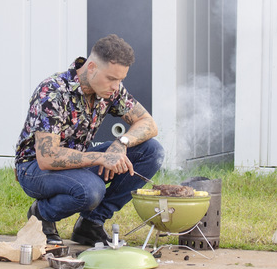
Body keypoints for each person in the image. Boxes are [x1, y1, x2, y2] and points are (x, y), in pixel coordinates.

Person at [15, 34, 165, 246]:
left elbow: (148, 123)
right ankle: (41, 215)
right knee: (91, 190)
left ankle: (90, 224)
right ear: (91, 67)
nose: (116, 86)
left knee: (151, 151)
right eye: (112, 79)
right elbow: (47, 157)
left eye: (121, 79)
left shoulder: (110, 90)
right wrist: (101, 158)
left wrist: (120, 143)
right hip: (35, 169)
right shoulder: (53, 92)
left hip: (78, 164)